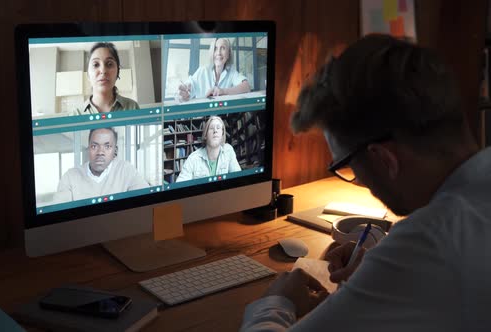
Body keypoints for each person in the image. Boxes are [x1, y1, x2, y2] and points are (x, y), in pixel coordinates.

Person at [240, 34, 490, 331]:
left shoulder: (428, 244)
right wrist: (380, 267)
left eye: (348, 167)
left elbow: (430, 260)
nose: (358, 180)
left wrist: (276, 303)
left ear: (384, 159)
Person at [55, 127, 149, 201]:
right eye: (94, 146)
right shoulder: (70, 177)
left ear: (115, 151)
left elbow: (146, 200)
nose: (100, 152)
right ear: (88, 149)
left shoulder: (126, 170)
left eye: (107, 146)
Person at [176, 38, 251, 102]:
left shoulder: (231, 72)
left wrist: (223, 91)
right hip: (203, 117)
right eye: (215, 48)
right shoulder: (202, 71)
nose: (218, 53)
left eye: (223, 48)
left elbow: (246, 86)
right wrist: (183, 93)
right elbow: (186, 89)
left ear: (228, 54)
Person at [76, 42, 139, 114]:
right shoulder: (75, 114)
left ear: (117, 73)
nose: (103, 71)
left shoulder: (132, 107)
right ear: (88, 75)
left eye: (109, 64)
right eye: (96, 64)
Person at [176, 116, 241, 181]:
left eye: (218, 128)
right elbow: (180, 184)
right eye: (211, 128)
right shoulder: (193, 158)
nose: (215, 131)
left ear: (222, 134)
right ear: (205, 135)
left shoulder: (228, 150)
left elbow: (238, 179)